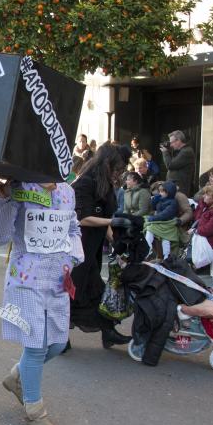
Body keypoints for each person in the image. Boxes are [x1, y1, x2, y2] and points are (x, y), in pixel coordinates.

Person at [0, 180, 83, 425]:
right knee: (36, 345)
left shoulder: (67, 190)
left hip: (58, 281)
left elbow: (73, 228)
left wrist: (73, 258)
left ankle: (17, 376)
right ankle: (34, 411)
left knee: (57, 344)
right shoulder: (18, 186)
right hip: (25, 280)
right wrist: (4, 200)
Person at [69, 144, 132, 348]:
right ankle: (60, 338)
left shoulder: (104, 184)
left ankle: (108, 333)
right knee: (72, 295)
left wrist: (116, 242)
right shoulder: (85, 183)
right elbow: (82, 217)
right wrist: (112, 223)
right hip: (77, 249)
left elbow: (104, 218)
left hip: (92, 248)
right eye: (117, 169)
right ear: (107, 164)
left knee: (95, 292)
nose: (119, 174)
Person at [144, 181, 182, 259]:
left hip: (168, 223)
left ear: (169, 192)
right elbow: (153, 207)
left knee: (153, 230)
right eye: (160, 191)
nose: (160, 193)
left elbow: (165, 214)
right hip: (162, 222)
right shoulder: (161, 199)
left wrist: (153, 218)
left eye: (162, 191)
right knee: (162, 237)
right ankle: (148, 248)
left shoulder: (172, 203)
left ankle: (164, 255)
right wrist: (155, 198)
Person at [161, 130, 196, 196]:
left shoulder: (186, 152)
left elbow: (170, 165)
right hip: (175, 186)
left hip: (180, 188)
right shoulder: (181, 151)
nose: (170, 145)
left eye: (172, 143)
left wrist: (165, 152)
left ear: (178, 140)